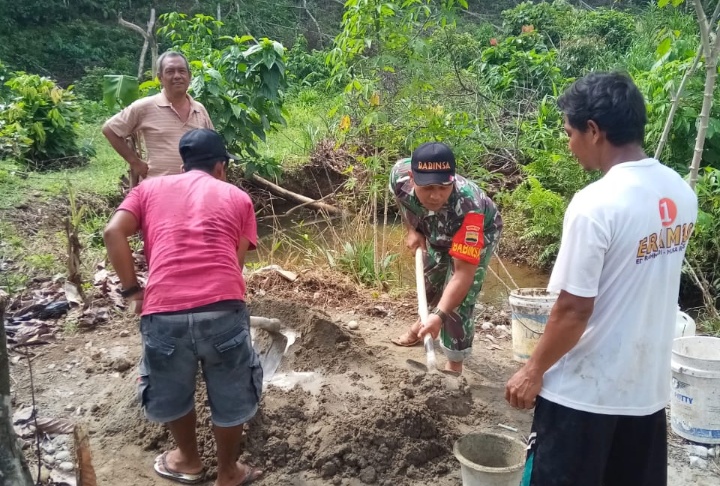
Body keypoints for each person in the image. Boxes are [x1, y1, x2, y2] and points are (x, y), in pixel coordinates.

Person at [505, 72, 698, 486]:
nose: (569, 144)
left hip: (582, 397)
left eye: (569, 133)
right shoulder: (681, 193)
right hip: (645, 395)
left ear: (594, 131)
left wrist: (533, 370)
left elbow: (574, 309)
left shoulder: (595, 204)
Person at [103, 128, 262, 486]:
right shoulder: (237, 197)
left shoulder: (148, 189)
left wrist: (132, 291)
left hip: (164, 311)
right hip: (222, 309)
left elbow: (113, 232)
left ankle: (188, 461)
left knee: (173, 389)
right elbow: (234, 266)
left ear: (183, 163)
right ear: (220, 166)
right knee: (231, 392)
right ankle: (229, 473)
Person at [389, 142, 503, 374]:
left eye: (443, 186)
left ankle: (454, 365)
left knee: (458, 300)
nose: (435, 195)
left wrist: (440, 315)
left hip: (474, 229)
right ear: (412, 178)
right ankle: (422, 326)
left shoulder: (469, 206)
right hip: (434, 225)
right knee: (431, 282)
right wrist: (412, 229)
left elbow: (462, 275)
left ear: (452, 178)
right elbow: (401, 200)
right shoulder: (399, 176)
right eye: (428, 187)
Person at [102, 51, 214, 180]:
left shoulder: (199, 109)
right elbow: (109, 130)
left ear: (189, 76)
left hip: (195, 189)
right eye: (170, 71)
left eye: (182, 71)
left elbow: (212, 147)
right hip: (158, 189)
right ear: (160, 77)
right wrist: (135, 162)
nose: (177, 76)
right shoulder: (144, 106)